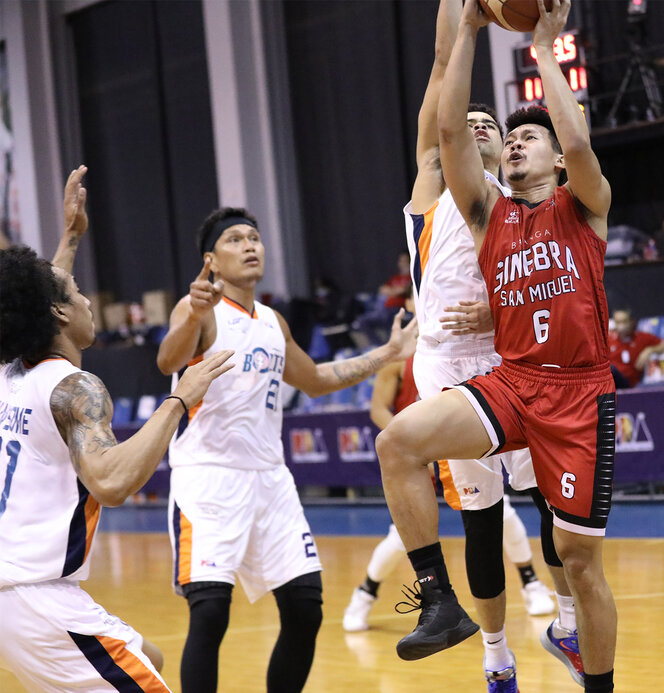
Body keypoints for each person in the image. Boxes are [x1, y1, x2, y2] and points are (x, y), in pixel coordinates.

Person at [377, 1, 617, 691]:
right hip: (502, 378)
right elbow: (446, 125)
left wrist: (544, 48)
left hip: (573, 390)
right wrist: (472, 24)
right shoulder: (486, 211)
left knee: (574, 552)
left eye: (521, 134)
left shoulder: (582, 204)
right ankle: (454, 612)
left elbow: (575, 147)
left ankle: (580, 646)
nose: (509, 139)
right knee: (402, 449)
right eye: (501, 134)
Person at [155, 207, 416, 693]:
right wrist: (192, 312)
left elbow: (315, 380)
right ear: (210, 260)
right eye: (235, 239)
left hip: (270, 480)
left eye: (254, 237)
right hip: (208, 478)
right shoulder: (200, 309)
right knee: (210, 612)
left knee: (304, 608)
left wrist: (387, 352)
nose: (250, 245)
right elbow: (167, 359)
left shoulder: (274, 321)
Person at [0, 167, 234, 692]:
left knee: (147, 653)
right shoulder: (73, 386)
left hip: (14, 598)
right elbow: (110, 483)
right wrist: (178, 400)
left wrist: (71, 237)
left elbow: (43, 296)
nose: (87, 301)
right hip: (42, 602)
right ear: (59, 313)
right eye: (79, 293)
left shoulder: (11, 373)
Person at [343, 315, 555, 633]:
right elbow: (378, 409)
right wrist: (415, 446)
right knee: (401, 538)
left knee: (502, 516)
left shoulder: (472, 347)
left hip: (458, 441)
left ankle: (532, 584)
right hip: (418, 454)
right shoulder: (403, 358)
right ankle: (365, 593)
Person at [608, 308, 664, 388]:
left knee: (611, 370)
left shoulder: (641, 337)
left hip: (629, 382)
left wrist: (649, 350)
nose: (621, 326)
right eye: (618, 322)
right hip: (609, 382)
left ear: (631, 321)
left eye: (624, 321)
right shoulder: (609, 338)